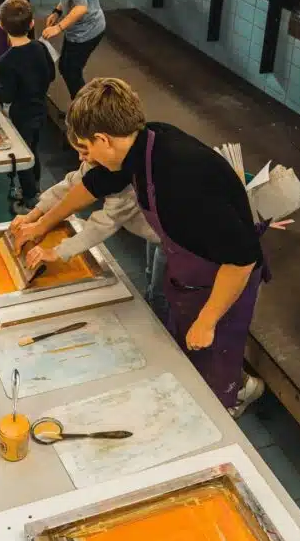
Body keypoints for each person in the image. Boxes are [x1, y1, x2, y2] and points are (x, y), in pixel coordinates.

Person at [15, 78, 269, 417]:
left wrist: (208, 319)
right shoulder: (139, 147)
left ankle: (236, 397)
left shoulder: (180, 175)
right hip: (189, 274)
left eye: (86, 148)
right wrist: (41, 223)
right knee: (189, 351)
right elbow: (89, 186)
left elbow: (242, 258)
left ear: (103, 139)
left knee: (215, 359)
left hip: (223, 280)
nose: (84, 157)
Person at [11, 146, 169, 322]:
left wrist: (57, 252)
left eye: (85, 151)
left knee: (162, 292)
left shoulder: (127, 179)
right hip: (153, 230)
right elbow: (72, 185)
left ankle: (163, 326)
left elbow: (105, 223)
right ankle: (152, 301)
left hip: (173, 239)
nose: (80, 157)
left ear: (103, 141)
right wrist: (34, 214)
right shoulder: (99, 159)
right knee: (151, 273)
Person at [0, 0, 54, 213]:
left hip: (21, 116)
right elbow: (50, 74)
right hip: (40, 109)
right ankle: (36, 188)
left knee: (23, 156)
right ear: (31, 23)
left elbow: (6, 95)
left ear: (1, 25)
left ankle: (30, 199)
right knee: (33, 150)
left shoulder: (6, 60)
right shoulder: (40, 47)